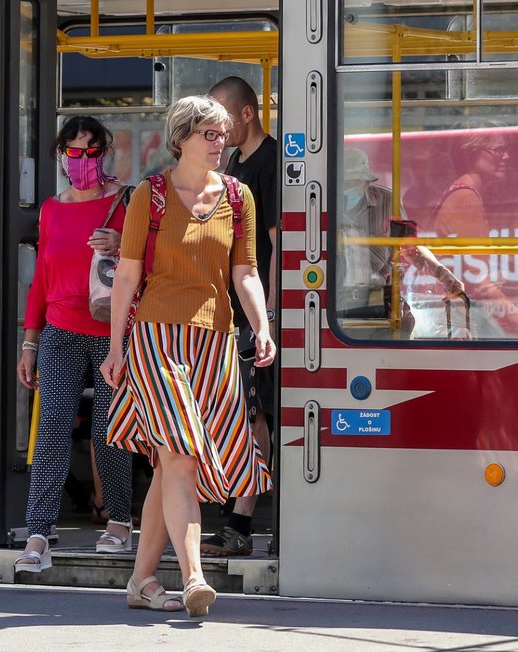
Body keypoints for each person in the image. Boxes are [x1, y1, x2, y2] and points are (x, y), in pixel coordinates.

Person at [100, 95, 274, 617]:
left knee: (171, 467)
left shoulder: (238, 196)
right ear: (181, 138)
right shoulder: (148, 196)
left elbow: (245, 273)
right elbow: (127, 275)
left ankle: (142, 581)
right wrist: (115, 347)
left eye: (222, 135)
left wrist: (262, 327)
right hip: (155, 339)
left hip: (215, 342)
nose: (219, 143)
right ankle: (194, 575)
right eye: (208, 134)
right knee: (181, 456)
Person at [14, 116, 135, 573]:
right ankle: (39, 533)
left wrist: (123, 243)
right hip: (60, 332)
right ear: (61, 156)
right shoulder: (50, 209)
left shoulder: (126, 201)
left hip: (113, 333)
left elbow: (153, 261)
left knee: (110, 432)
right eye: (72, 152)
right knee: (51, 433)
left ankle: (120, 521)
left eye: (89, 152)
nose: (80, 161)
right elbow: (41, 280)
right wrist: (30, 342)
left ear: (103, 154)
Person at [199, 76, 277, 557]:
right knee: (239, 412)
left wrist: (268, 311)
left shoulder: (268, 163)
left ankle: (241, 522)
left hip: (256, 308)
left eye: (223, 118)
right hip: (233, 307)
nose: (217, 129)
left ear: (247, 114)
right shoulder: (233, 163)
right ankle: (235, 515)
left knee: (255, 414)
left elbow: (276, 243)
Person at [430, 119, 518, 338]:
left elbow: (491, 251)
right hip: (468, 315)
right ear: (470, 153)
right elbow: (480, 283)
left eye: (506, 149)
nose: (506, 156)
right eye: (498, 150)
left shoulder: (464, 193)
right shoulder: (465, 198)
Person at [338, 147, 465, 331]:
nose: (347, 190)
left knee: (404, 324)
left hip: (378, 296)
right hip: (334, 299)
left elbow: (410, 247)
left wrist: (444, 275)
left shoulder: (386, 201)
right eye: (344, 184)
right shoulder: (322, 202)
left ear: (366, 182)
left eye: (353, 184)